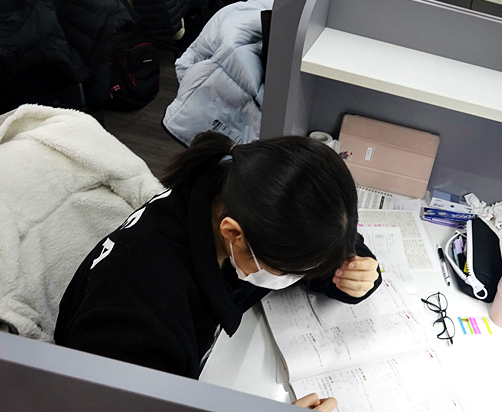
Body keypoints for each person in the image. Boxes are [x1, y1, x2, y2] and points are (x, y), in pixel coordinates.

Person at [55, 133, 382, 411]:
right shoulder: (139, 324)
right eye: (290, 271)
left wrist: (355, 271)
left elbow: (319, 237)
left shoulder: (235, 192)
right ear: (233, 233)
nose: (296, 278)